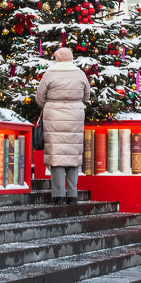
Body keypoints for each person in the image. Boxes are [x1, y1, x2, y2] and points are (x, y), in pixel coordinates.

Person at [34, 47, 91, 205]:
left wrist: (52, 105)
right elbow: (87, 96)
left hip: (54, 115)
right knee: (72, 156)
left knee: (56, 156)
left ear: (57, 58)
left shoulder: (50, 74)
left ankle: (58, 196)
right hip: (75, 115)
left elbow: (40, 98)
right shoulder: (80, 74)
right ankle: (72, 195)